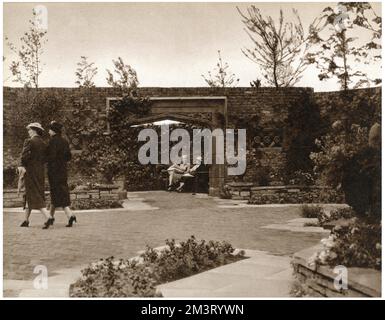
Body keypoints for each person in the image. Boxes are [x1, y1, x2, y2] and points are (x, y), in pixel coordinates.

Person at [19, 123, 53, 229]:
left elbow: (23, 157)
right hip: (40, 171)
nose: (28, 132)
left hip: (30, 171)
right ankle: (26, 220)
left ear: (34, 131)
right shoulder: (43, 143)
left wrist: (24, 165)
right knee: (34, 192)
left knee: (34, 193)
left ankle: (48, 217)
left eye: (29, 130)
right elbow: (47, 158)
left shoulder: (29, 141)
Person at [46, 121, 77, 227]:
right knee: (58, 192)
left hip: (54, 171)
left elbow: (51, 157)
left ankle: (70, 215)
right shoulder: (65, 141)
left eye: (50, 129)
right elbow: (69, 157)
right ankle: (50, 217)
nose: (48, 131)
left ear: (54, 131)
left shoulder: (52, 142)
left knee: (58, 193)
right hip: (63, 171)